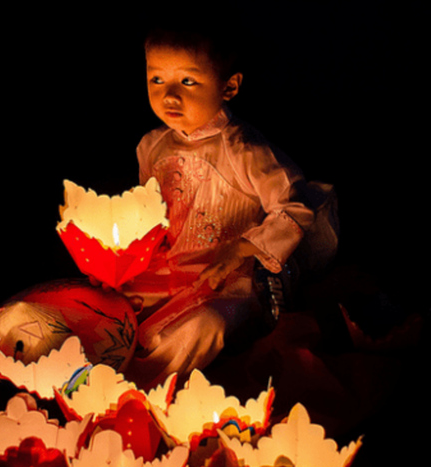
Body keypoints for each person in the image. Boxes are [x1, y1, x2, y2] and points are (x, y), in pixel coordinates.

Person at [121, 21, 337, 389]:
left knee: (206, 326)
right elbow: (148, 216)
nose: (170, 96)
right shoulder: (151, 146)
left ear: (229, 86)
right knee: (109, 306)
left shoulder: (244, 149)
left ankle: (140, 391)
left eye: (187, 82)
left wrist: (240, 250)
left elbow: (296, 206)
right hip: (166, 271)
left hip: (228, 281)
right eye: (157, 80)